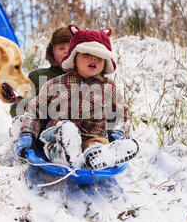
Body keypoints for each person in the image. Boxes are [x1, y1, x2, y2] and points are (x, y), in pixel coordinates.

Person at [14, 25, 139, 170]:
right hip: (58, 137)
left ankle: (100, 155)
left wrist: (117, 133)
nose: (93, 58)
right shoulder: (55, 84)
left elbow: (119, 114)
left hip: (92, 137)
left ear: (106, 61)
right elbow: (35, 112)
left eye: (99, 56)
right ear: (74, 57)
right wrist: (27, 134)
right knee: (66, 131)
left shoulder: (109, 88)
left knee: (97, 144)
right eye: (86, 54)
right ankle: (68, 157)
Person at [8, 26, 71, 141]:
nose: (67, 51)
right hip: (44, 127)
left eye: (71, 47)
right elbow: (21, 103)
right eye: (61, 48)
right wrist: (23, 118)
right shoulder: (40, 76)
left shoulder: (85, 78)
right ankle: (25, 138)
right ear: (52, 52)